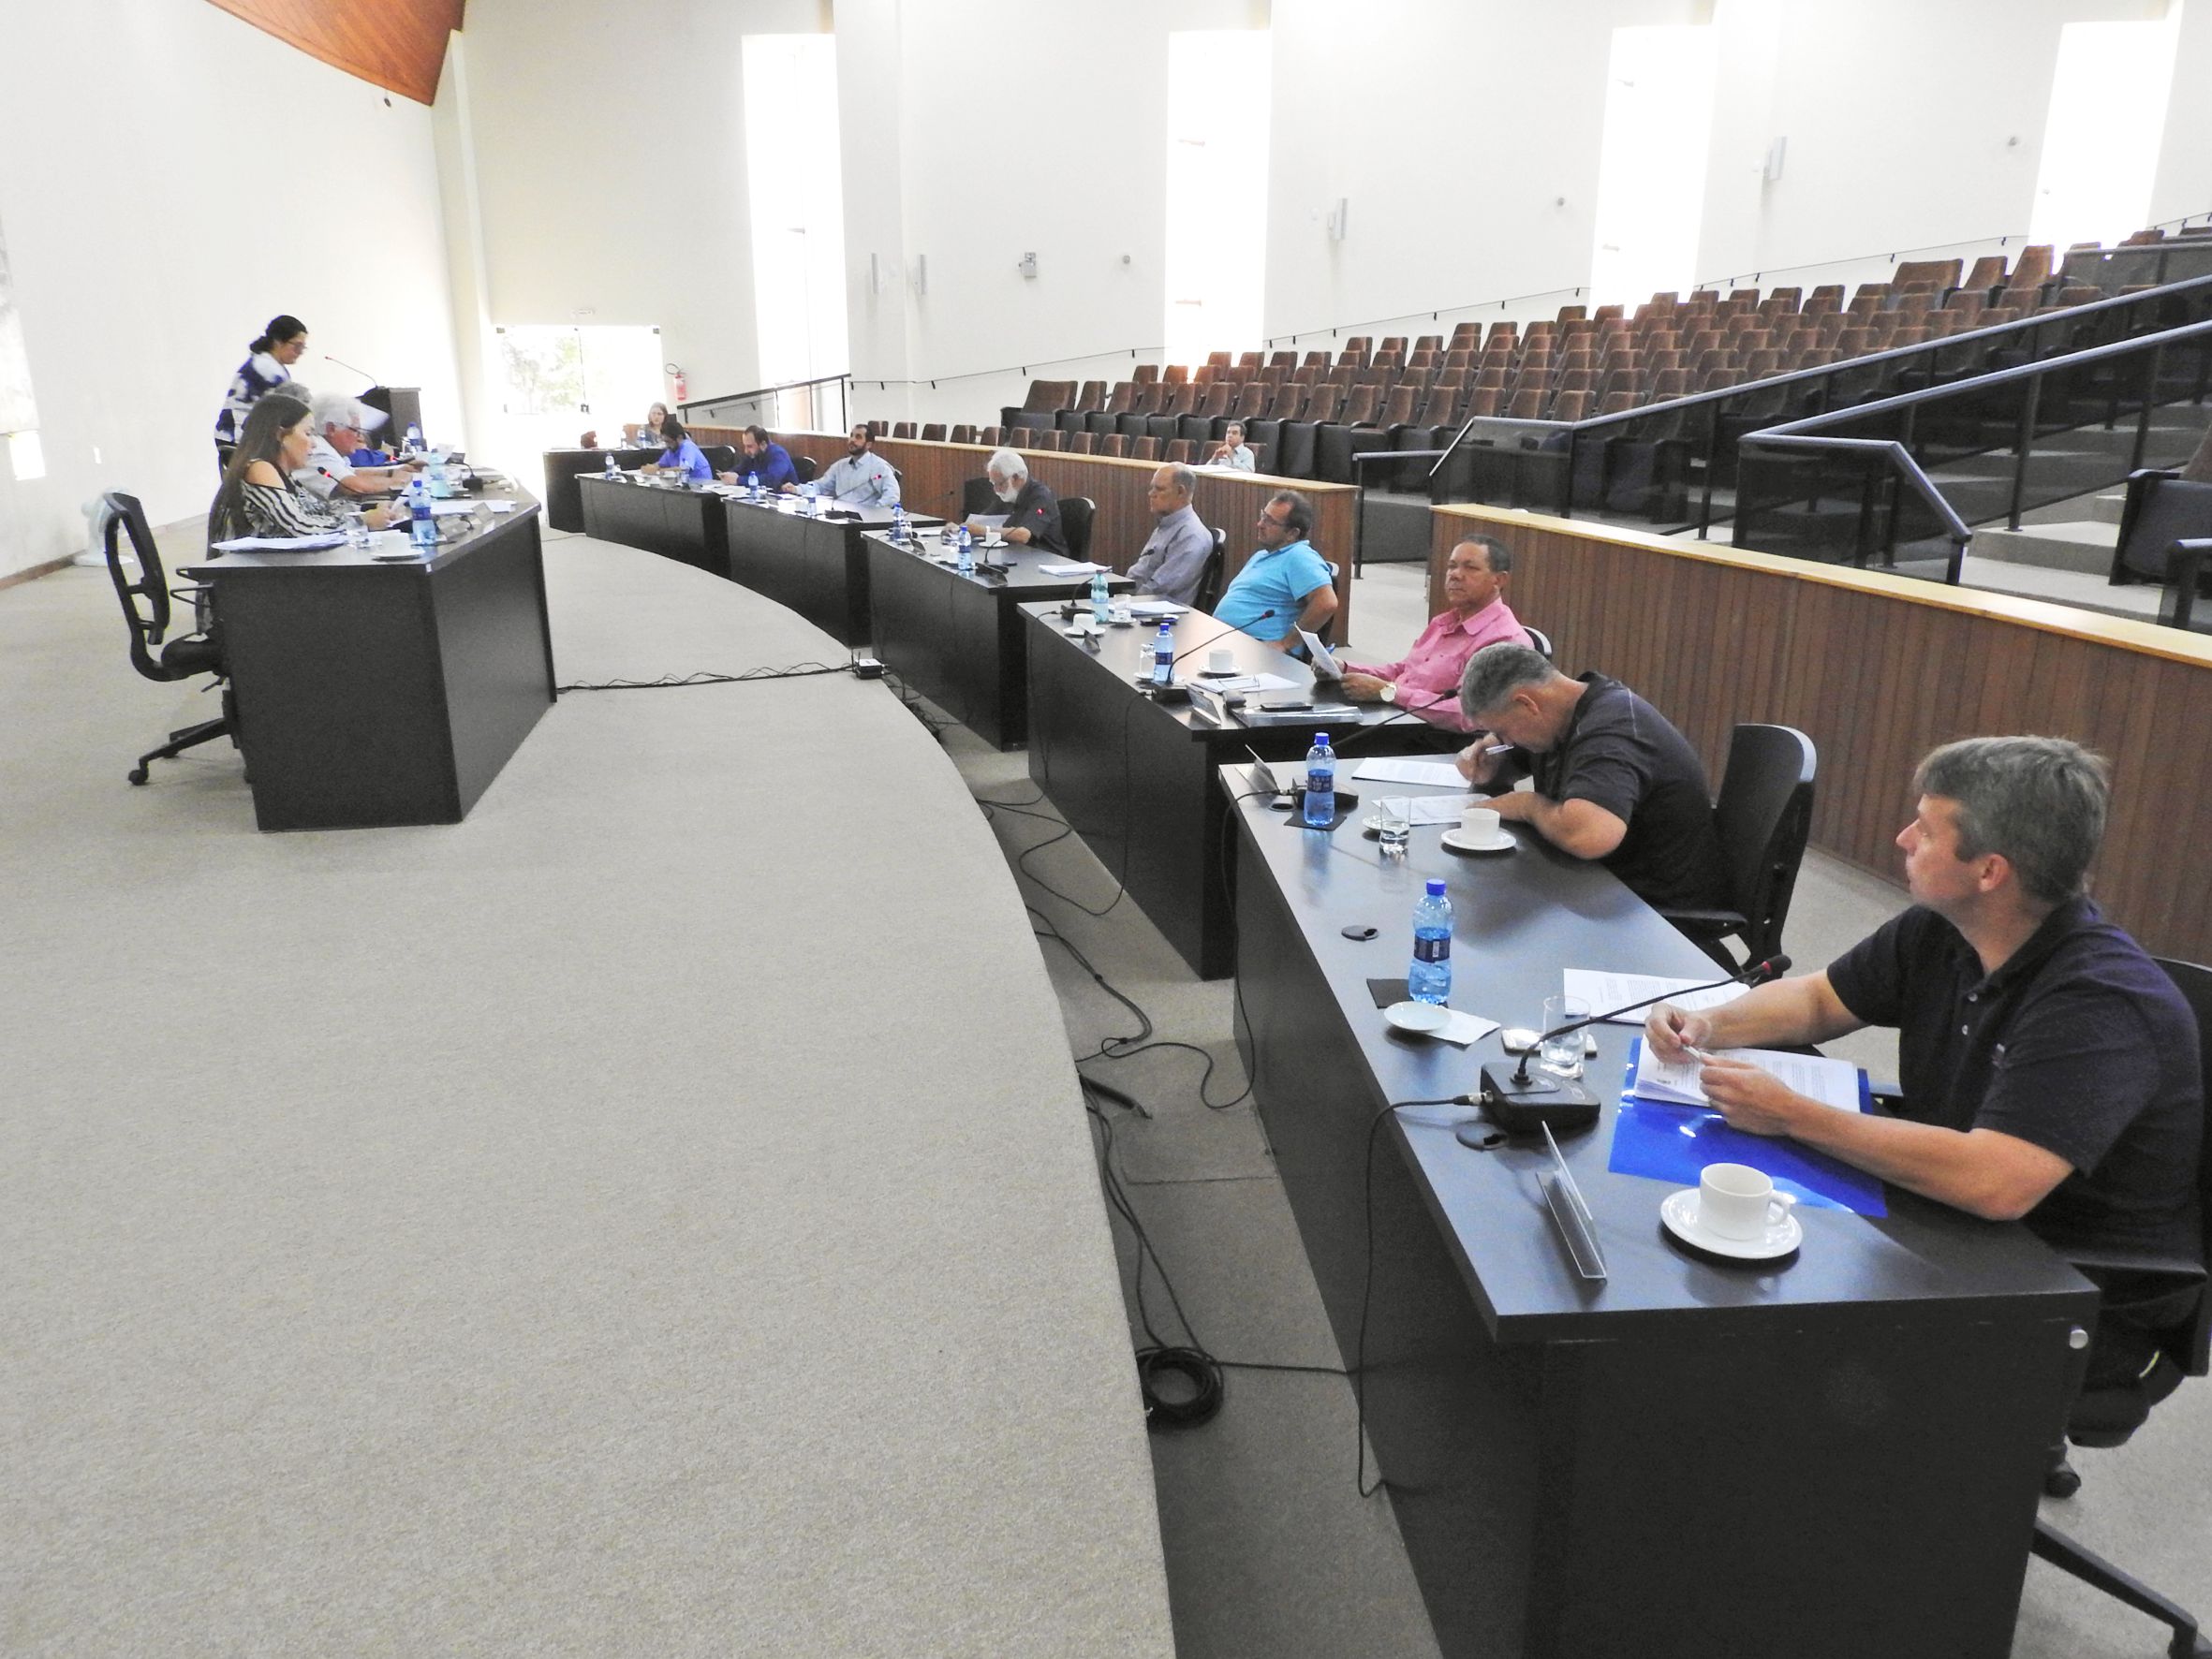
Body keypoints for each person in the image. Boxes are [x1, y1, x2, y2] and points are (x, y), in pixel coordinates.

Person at [1644, 737, 2202, 1390]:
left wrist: (1792, 1114)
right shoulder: (1946, 926)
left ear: (1989, 871)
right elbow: (1820, 1000)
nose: (1903, 839)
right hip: (1952, 1217)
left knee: (1751, 1336)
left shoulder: (2099, 1004)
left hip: (2071, 1287)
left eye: (1927, 830)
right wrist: (1711, 1022)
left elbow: (1996, 1183)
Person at [1453, 642, 1729, 914]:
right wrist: (1490, 755)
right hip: (1600, 886)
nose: (1507, 741)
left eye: (1503, 730)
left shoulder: (1613, 729)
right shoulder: (1562, 714)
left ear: (1527, 703)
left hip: (1655, 911)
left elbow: (1588, 836)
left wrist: (1528, 806)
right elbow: (1513, 759)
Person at [1337, 536, 1531, 730]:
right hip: (1398, 717)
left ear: (1499, 580)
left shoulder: (1505, 641)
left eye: (1470, 568)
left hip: (1433, 737)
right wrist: (1345, 668)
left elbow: (1469, 714)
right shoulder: (1443, 622)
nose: (1455, 575)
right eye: (1452, 566)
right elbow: (1404, 671)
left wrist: (1388, 692)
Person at [207, 393, 403, 544]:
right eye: (308, 433)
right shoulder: (259, 469)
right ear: (280, 435)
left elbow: (319, 511)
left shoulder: (286, 474)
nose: (314, 443)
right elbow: (301, 526)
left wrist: (367, 510)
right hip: (242, 578)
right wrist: (363, 521)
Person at [1211, 489, 1337, 648]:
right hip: (1227, 640)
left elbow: (1327, 602)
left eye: (1270, 521)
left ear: (1292, 533)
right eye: (1263, 516)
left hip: (1257, 648)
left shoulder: (1299, 556)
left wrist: (1286, 643)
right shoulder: (1262, 555)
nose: (1260, 524)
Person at [214, 315, 308, 472]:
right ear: (278, 341)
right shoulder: (268, 369)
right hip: (239, 439)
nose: (300, 352)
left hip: (233, 437)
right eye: (297, 346)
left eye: (303, 348)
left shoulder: (264, 362)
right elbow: (292, 412)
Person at [296, 391, 420, 501]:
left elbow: (353, 473)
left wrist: (399, 470)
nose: (359, 437)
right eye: (355, 430)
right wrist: (399, 482)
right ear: (331, 429)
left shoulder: (328, 449)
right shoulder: (316, 451)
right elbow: (355, 487)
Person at [1125, 463, 1212, 605]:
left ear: (1180, 492)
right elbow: (1140, 573)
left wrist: (1122, 602)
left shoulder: (1191, 535)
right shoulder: (1166, 524)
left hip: (1159, 612)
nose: (1151, 494)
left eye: (1159, 489)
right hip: (1137, 602)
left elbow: (1160, 588)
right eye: (1152, 488)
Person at [792, 424, 902, 508]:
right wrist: (797, 489)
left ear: (868, 444)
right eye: (851, 436)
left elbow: (892, 496)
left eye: (858, 437)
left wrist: (874, 512)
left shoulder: (879, 467)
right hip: (840, 516)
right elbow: (821, 486)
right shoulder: (840, 466)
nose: (852, 440)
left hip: (864, 520)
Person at [980, 448, 1059, 549]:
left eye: (1000, 483)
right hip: (1014, 552)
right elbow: (984, 519)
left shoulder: (1042, 497)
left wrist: (984, 530)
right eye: (993, 484)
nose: (996, 489)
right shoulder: (1006, 495)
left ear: (1016, 478)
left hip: (1045, 554)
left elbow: (1023, 535)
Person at [719, 423, 798, 490]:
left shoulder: (778, 454)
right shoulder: (752, 455)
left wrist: (738, 480)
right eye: (745, 446)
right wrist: (728, 475)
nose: (746, 451)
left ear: (763, 444)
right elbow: (739, 470)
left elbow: (771, 480)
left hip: (785, 499)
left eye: (750, 446)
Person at [641, 415, 714, 483]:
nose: (667, 445)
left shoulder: (687, 446)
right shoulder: (671, 449)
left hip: (702, 485)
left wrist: (659, 471)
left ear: (679, 438)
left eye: (668, 442)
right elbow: (659, 465)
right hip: (687, 485)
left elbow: (683, 469)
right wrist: (650, 468)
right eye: (665, 442)